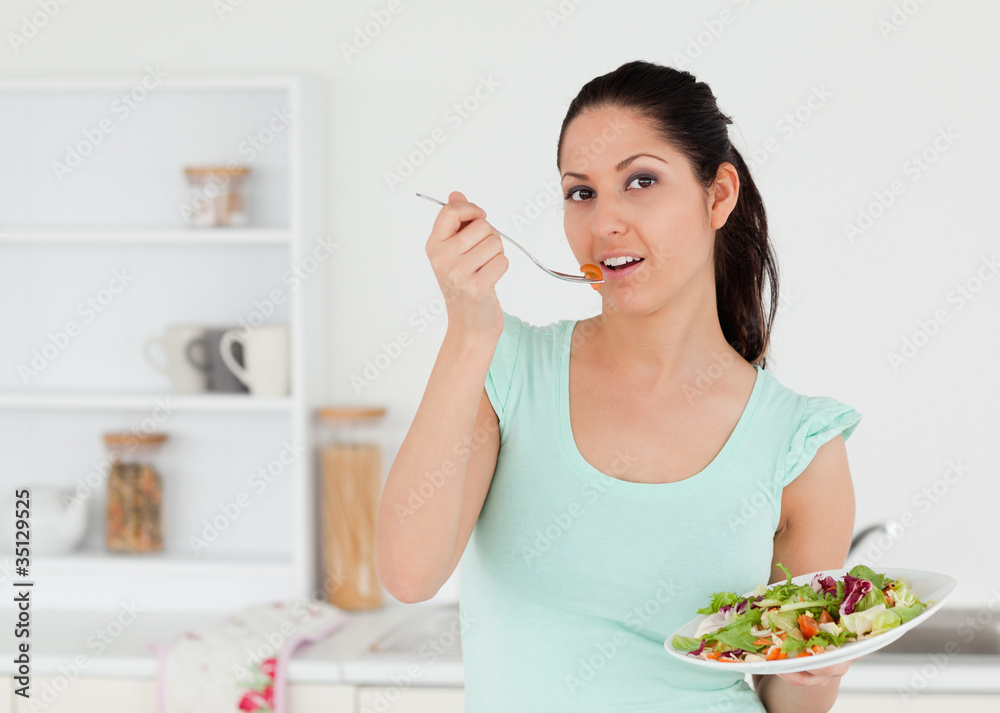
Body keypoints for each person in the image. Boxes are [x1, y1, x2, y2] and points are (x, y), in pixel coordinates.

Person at [376, 59, 863, 713]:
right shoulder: (505, 367)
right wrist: (468, 330)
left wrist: (820, 664)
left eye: (640, 181)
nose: (604, 221)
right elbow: (409, 573)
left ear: (719, 195)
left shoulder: (800, 443)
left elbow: (792, 698)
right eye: (581, 192)